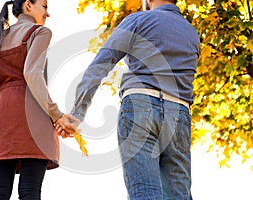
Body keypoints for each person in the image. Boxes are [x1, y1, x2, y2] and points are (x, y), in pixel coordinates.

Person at [57, 0, 200, 199]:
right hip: (179, 112)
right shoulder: (191, 33)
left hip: (140, 105)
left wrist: (77, 112)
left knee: (145, 191)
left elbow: (100, 66)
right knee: (179, 194)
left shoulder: (138, 21)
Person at [0, 0, 78, 199]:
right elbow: (32, 74)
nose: (47, 14)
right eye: (44, 6)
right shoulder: (40, 32)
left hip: (0, 119)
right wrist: (56, 115)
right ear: (28, 5)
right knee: (30, 191)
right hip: (31, 114)